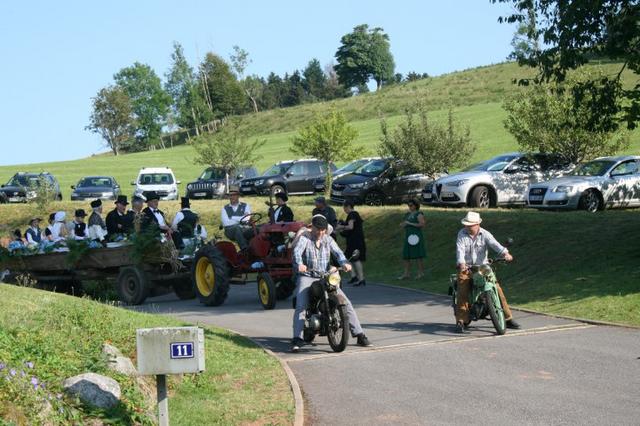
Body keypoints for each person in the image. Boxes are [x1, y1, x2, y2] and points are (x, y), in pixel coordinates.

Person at [291, 214, 372, 352]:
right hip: (308, 275)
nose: (320, 233)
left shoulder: (328, 239)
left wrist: (345, 263)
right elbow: (297, 252)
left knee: (346, 302)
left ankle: (359, 334)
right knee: (301, 305)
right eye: (318, 230)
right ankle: (297, 338)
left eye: (323, 230)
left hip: (326, 276)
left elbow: (338, 253)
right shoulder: (305, 238)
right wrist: (299, 264)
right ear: (313, 228)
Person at [455, 211, 520, 334]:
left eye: (470, 225)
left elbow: (495, 245)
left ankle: (508, 319)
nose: (468, 227)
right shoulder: (461, 234)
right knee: (462, 291)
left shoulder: (485, 234)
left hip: (483, 267)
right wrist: (462, 263)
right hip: (467, 268)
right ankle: (461, 321)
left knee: (497, 289)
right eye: (466, 225)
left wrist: (506, 254)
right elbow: (460, 250)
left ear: (478, 224)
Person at [336, 201, 367, 286]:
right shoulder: (354, 215)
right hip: (353, 240)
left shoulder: (352, 214)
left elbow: (350, 227)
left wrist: (340, 227)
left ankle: (361, 279)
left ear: (348, 206)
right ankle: (354, 276)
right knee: (348, 257)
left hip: (355, 241)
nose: (344, 209)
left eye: (344, 207)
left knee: (356, 259)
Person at [398, 199, 426, 280]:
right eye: (408, 205)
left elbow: (422, 224)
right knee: (406, 255)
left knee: (418, 255)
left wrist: (409, 223)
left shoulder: (419, 214)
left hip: (416, 236)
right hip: (408, 236)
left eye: (411, 205)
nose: (409, 207)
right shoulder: (407, 214)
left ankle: (421, 273)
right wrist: (403, 224)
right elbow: (404, 223)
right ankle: (406, 273)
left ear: (415, 205)